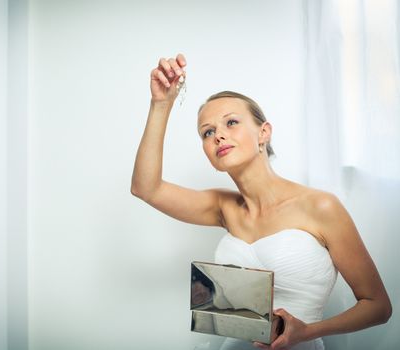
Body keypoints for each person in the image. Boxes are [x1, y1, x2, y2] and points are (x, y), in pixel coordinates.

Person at [131, 53, 392, 349]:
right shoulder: (223, 208)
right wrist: (161, 104)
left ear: (263, 133)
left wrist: (307, 331)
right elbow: (145, 188)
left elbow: (378, 305)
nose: (218, 136)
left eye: (231, 122)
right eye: (208, 132)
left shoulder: (320, 206)